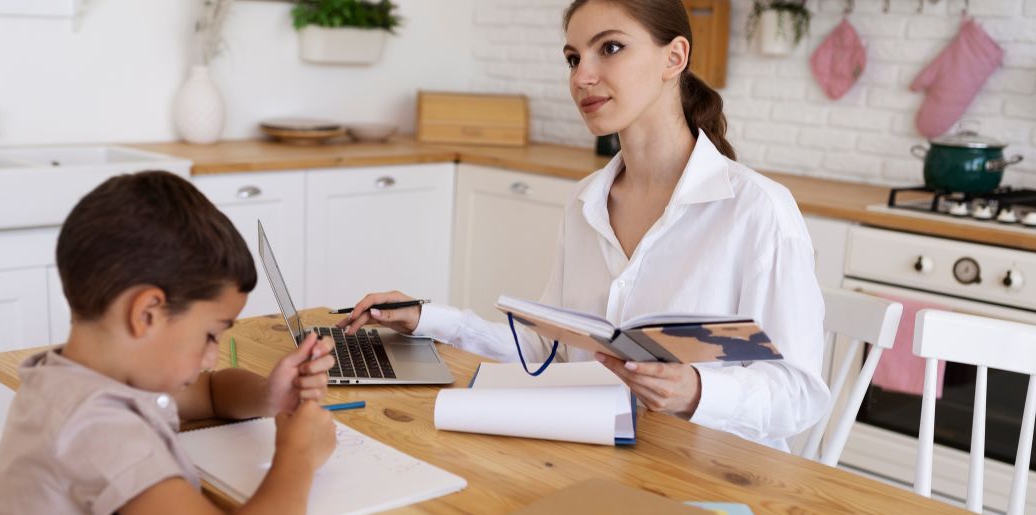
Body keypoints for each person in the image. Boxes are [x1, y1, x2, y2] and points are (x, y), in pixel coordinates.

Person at [340, 0, 829, 455]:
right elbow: (547, 349)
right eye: (574, 58)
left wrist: (697, 391)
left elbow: (801, 395)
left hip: (716, 474)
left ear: (674, 57)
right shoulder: (586, 200)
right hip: (600, 454)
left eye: (610, 48)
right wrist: (427, 318)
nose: (583, 76)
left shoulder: (757, 210)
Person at [0, 171, 338, 515]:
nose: (213, 358)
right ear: (147, 312)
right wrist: (297, 455)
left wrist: (269, 395)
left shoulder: (75, 379)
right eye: (212, 335)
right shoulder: (100, 431)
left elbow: (210, 392)